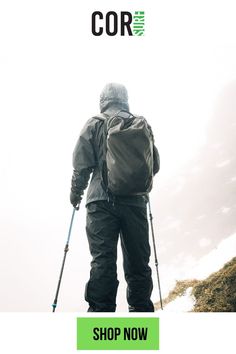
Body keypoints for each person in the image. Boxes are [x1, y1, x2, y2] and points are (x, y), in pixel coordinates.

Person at [70, 83, 160, 312]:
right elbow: (155, 165)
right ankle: (141, 321)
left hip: (100, 203)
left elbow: (81, 166)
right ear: (125, 99)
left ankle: (101, 319)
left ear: (103, 100)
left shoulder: (94, 123)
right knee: (139, 263)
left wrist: (76, 194)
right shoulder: (140, 123)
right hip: (135, 202)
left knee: (103, 261)